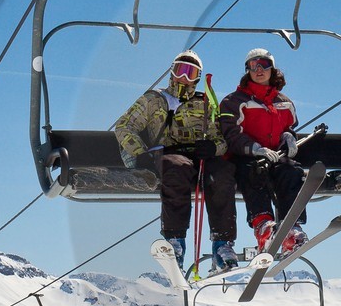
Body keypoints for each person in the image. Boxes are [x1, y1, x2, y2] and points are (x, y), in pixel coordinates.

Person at [113, 49, 239, 271]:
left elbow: (221, 140)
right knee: (176, 168)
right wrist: (140, 153)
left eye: (191, 73)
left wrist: (213, 148)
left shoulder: (205, 102)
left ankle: (223, 243)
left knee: (223, 172)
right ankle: (175, 242)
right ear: (171, 72)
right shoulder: (154, 100)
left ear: (198, 78)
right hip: (169, 153)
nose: (185, 78)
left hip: (199, 156)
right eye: (181, 70)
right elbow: (124, 126)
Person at [218, 48, 309, 254]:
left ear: (272, 69)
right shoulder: (235, 101)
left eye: (263, 64)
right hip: (246, 156)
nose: (258, 69)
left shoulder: (284, 102)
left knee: (291, 171)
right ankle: (263, 225)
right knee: (254, 171)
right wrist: (255, 149)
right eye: (253, 65)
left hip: (275, 155)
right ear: (247, 70)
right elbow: (230, 133)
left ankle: (291, 228)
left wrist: (288, 138)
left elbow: (288, 127)